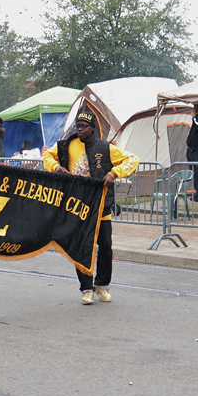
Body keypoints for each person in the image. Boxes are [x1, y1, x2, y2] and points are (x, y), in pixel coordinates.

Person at [43, 111, 140, 305]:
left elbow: (133, 160)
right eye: (77, 126)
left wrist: (114, 172)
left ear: (92, 129)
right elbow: (47, 155)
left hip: (101, 206)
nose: (79, 129)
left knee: (105, 247)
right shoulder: (65, 145)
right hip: (76, 206)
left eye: (83, 127)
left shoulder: (105, 147)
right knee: (82, 248)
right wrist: (55, 167)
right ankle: (86, 288)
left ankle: (102, 285)